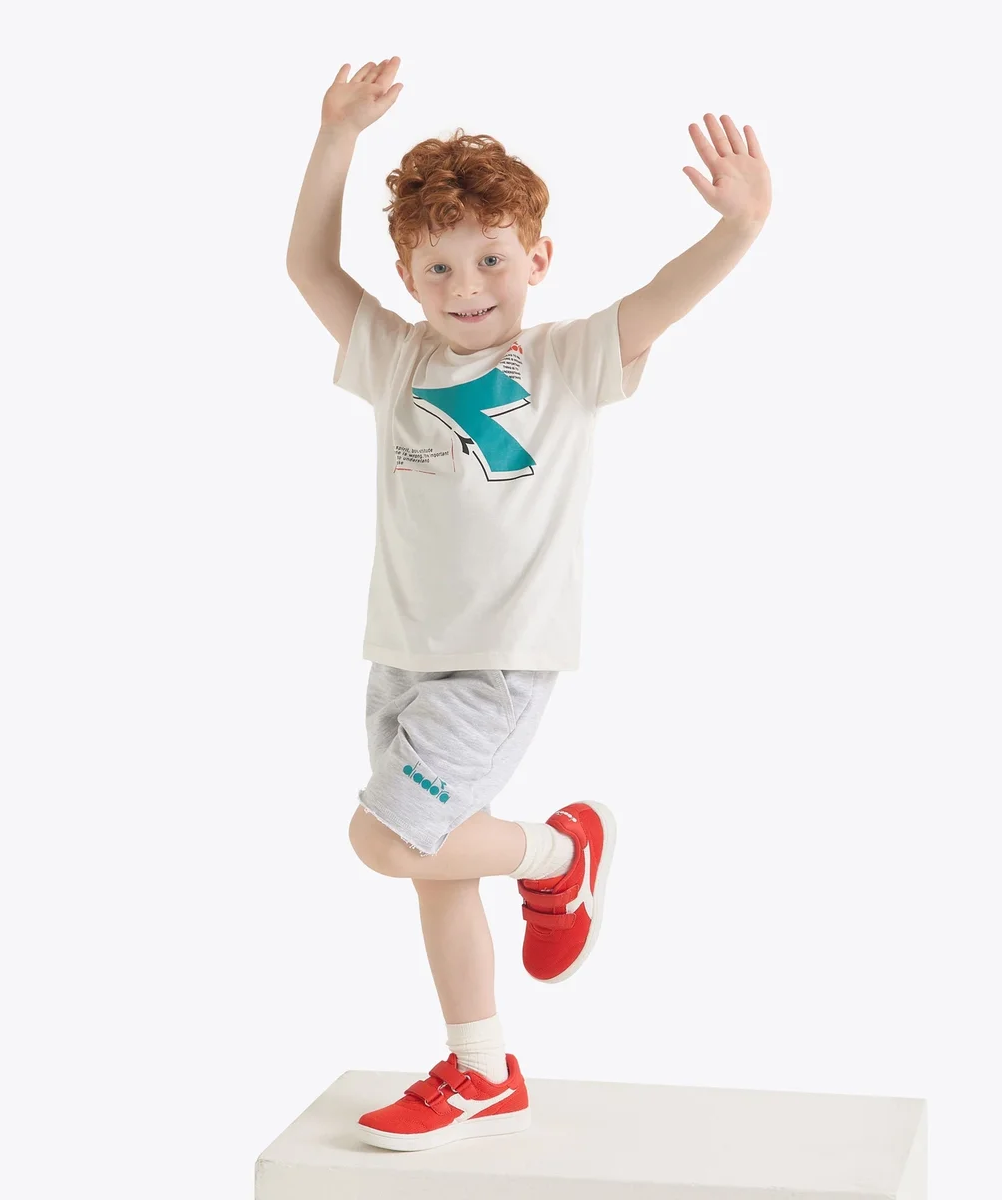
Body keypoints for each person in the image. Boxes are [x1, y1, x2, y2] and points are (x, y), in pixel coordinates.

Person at [285, 56, 771, 1153]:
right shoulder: (394, 357)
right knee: (434, 864)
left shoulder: (567, 360)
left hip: (497, 662)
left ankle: (557, 856)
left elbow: (662, 298)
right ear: (408, 277)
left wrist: (737, 227)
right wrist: (335, 135)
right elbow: (306, 265)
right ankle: (481, 1071)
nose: (467, 285)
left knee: (387, 840)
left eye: (491, 258)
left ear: (536, 259)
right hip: (399, 656)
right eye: (439, 265)